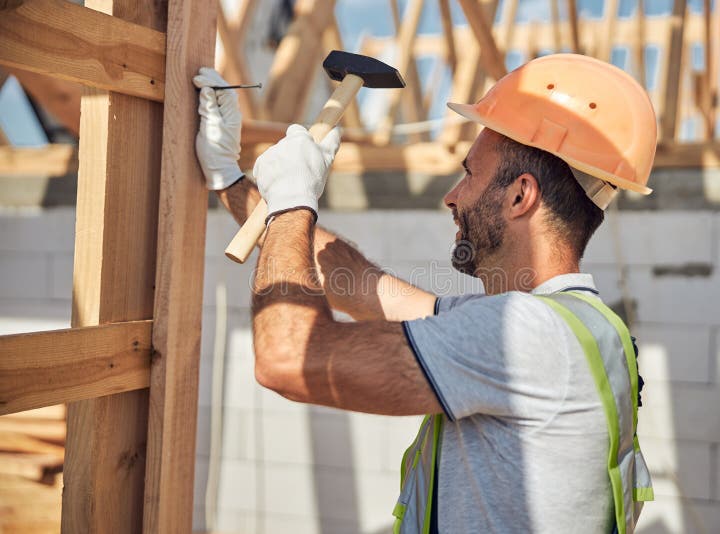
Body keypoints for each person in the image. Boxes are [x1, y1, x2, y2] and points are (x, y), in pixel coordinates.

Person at [194, 54, 655, 534]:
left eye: (470, 174)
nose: (452, 196)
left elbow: (286, 358)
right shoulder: (573, 326)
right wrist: (232, 177)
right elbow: (366, 289)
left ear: (521, 196)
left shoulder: (525, 335)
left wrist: (294, 203)